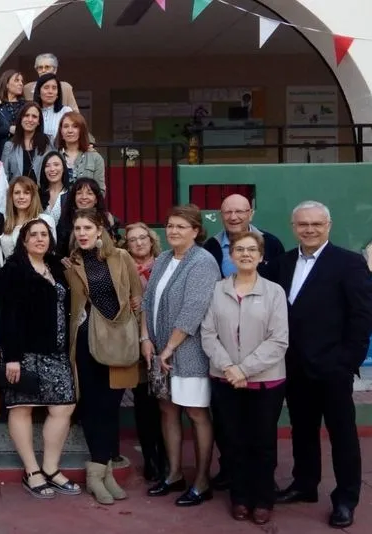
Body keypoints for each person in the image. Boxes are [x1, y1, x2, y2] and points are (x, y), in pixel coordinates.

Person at [270, 201, 372, 529]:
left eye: (316, 224)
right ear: (293, 226)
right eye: (303, 224)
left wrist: (346, 363)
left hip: (333, 369)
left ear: (328, 226)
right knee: (302, 431)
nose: (310, 229)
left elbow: (362, 317)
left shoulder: (349, 263)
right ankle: (305, 485)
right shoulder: (282, 263)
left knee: (342, 435)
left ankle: (345, 498)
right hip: (295, 368)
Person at [201, 231, 289, 525]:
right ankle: (239, 497)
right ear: (231, 255)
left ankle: (263, 498)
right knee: (233, 441)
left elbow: (278, 341)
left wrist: (244, 369)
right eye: (240, 249)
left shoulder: (274, 292)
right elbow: (208, 334)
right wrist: (229, 368)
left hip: (265, 382)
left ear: (262, 256)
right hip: (225, 380)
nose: (246, 254)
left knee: (262, 442)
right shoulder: (217, 290)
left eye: (252, 250)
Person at [141, 204, 221, 507]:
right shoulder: (162, 258)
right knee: (167, 410)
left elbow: (193, 310)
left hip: (187, 353)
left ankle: (202, 482)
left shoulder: (203, 262)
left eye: (181, 227)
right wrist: (145, 338)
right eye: (170, 225)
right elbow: (148, 301)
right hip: (159, 351)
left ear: (196, 231)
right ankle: (174, 474)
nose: (173, 231)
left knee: (197, 413)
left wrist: (170, 348)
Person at [0, 219, 78, 500]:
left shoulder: (57, 267)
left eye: (45, 235)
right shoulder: (13, 270)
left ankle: (51, 468)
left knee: (64, 406)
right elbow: (8, 315)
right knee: (22, 407)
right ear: (24, 240)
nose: (40, 239)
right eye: (34, 235)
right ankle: (32, 471)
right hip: (24, 351)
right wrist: (13, 357)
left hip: (56, 351)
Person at [66, 209, 143, 505]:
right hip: (85, 342)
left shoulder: (122, 258)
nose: (82, 233)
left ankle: (101, 469)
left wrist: (142, 336)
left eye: (87, 227)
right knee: (91, 406)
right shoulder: (70, 263)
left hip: (119, 341)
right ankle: (100, 475)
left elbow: (137, 301)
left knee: (110, 406)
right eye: (77, 228)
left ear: (100, 230)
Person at [123, 223, 167, 483]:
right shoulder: (124, 267)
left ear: (151, 241)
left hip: (165, 341)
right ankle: (151, 459)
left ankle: (168, 458)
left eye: (143, 238)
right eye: (133, 240)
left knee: (167, 406)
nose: (139, 243)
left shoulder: (165, 264)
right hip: (137, 343)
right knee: (144, 403)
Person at [203, 193, 286, 279]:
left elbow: (282, 279)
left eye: (239, 211)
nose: (233, 217)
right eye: (228, 212)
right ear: (221, 216)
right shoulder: (210, 247)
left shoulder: (271, 244)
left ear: (250, 214)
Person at [0, 69, 26, 160]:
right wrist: (8, 130)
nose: (21, 83)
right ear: (6, 84)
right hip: (1, 152)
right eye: (16, 80)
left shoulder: (26, 106)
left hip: (22, 151)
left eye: (21, 81)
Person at [33, 74, 73, 142]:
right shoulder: (32, 112)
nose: (50, 91)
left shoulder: (66, 111)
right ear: (38, 92)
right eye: (46, 87)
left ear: (58, 93)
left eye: (54, 88)